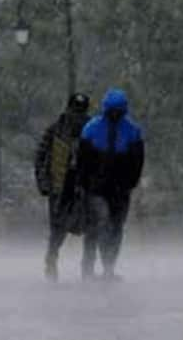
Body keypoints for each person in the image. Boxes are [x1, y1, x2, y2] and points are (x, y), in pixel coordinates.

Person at [76, 88, 144, 282]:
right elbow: (83, 160)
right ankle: (92, 267)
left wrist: (130, 182)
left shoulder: (129, 131)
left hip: (115, 188)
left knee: (113, 227)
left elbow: (137, 161)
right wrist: (85, 182)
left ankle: (106, 267)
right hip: (98, 188)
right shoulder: (94, 128)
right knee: (102, 225)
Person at [34, 93, 91, 282]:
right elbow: (41, 157)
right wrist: (44, 183)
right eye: (76, 110)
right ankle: (52, 258)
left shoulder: (93, 131)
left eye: (81, 111)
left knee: (90, 226)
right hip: (60, 185)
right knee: (59, 227)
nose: (78, 116)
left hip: (84, 184)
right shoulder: (55, 131)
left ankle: (87, 267)